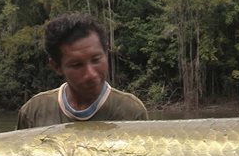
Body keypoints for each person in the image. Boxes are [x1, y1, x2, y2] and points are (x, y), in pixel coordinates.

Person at [16, 13, 148, 129]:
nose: (90, 74)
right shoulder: (34, 111)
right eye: (77, 65)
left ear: (106, 53)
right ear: (57, 67)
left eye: (96, 60)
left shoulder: (131, 111)